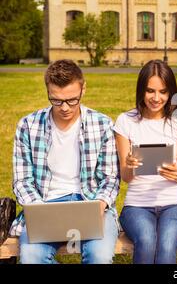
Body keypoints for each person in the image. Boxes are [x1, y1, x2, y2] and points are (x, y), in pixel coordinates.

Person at [10, 59, 120, 264]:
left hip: (91, 202)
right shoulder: (27, 125)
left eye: (72, 100)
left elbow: (110, 177)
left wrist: (100, 204)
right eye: (56, 101)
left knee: (100, 256)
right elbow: (22, 181)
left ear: (83, 89)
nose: (65, 108)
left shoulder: (102, 124)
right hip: (45, 203)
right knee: (32, 258)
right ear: (48, 92)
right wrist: (38, 210)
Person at [114, 60, 177, 264]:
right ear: (141, 90)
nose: (156, 98)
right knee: (147, 240)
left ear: (171, 93)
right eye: (150, 91)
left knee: (166, 245)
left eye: (163, 92)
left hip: (174, 204)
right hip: (137, 206)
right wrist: (130, 166)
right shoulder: (126, 121)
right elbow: (125, 177)